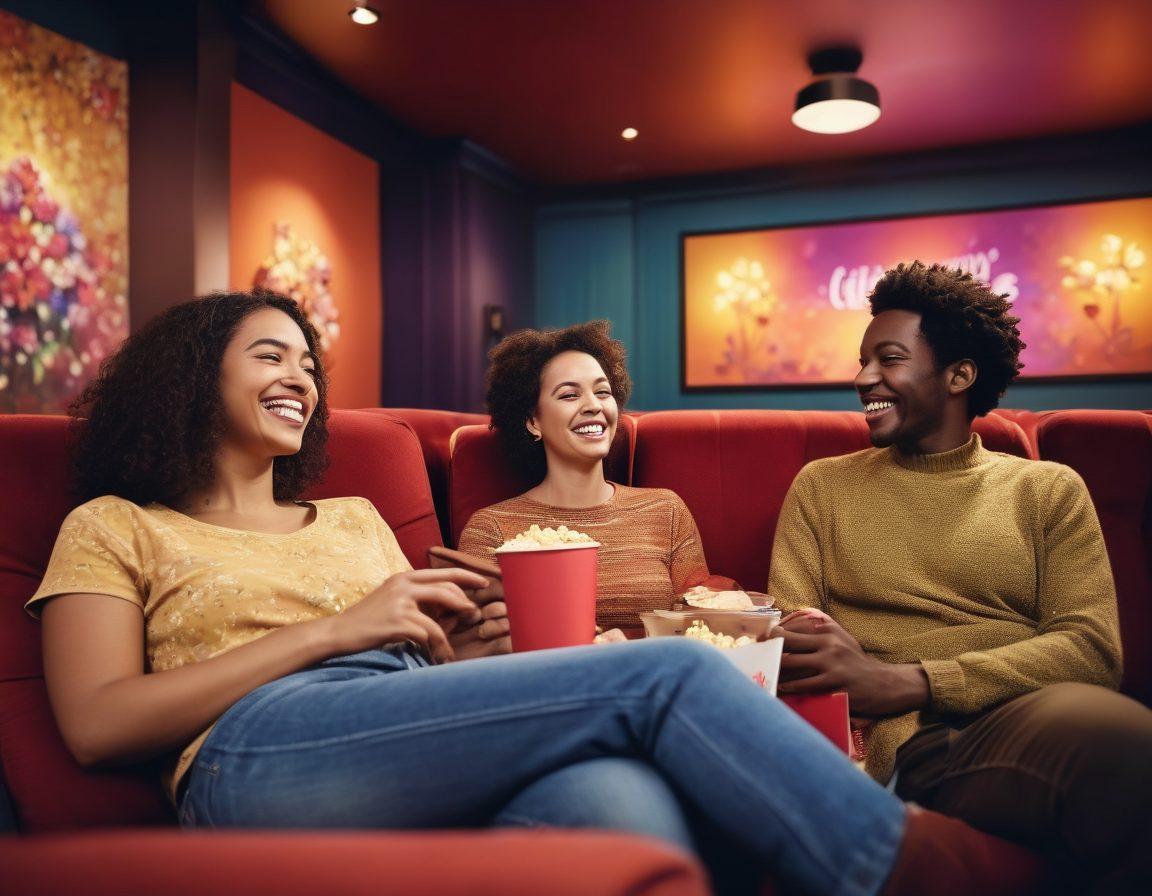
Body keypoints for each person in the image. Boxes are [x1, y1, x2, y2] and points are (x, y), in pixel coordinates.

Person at [28, 290, 1024, 896]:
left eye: (308, 362)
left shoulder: (355, 517)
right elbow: (97, 722)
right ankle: (908, 866)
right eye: (269, 356)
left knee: (620, 798)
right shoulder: (118, 523)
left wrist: (471, 649)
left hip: (391, 728)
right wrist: (339, 628)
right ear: (193, 379)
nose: (301, 378)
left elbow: (410, 672)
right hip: (256, 752)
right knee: (665, 677)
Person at [768, 261, 1152, 893]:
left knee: (1124, 742)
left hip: (1023, 715)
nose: (863, 379)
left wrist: (912, 680)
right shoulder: (823, 487)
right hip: (908, 744)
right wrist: (870, 691)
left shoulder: (1046, 490)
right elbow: (795, 642)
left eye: (887, 360)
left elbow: (1090, 648)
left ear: (959, 375)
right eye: (863, 361)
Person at [458, 321, 709, 637]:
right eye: (568, 395)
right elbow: (479, 646)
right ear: (533, 421)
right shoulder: (490, 530)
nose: (593, 406)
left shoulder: (665, 510)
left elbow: (702, 625)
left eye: (602, 392)